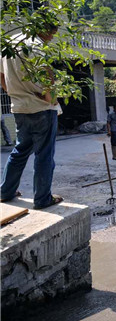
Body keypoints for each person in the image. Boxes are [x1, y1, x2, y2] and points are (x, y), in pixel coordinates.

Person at [0, 20, 64, 209]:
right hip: (41, 109)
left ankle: (5, 192)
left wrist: (13, 93)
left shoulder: (11, 43)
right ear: (42, 29)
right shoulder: (36, 47)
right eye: (51, 33)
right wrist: (51, 99)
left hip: (19, 108)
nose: (51, 38)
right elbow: (48, 77)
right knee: (44, 155)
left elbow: (1, 76)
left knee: (20, 151)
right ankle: (42, 199)